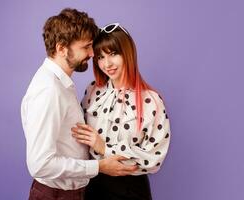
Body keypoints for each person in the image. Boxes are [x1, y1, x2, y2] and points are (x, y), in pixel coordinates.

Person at [21, 10, 137, 200]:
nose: (92, 54)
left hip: (71, 192)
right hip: (57, 195)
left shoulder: (61, 84)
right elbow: (40, 164)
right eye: (86, 47)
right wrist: (99, 167)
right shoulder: (49, 91)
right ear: (61, 48)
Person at [71, 22, 171, 200]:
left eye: (113, 54)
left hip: (131, 190)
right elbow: (79, 140)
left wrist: (104, 147)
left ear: (127, 53)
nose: (106, 63)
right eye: (100, 57)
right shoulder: (93, 91)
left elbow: (154, 158)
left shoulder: (152, 101)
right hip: (93, 185)